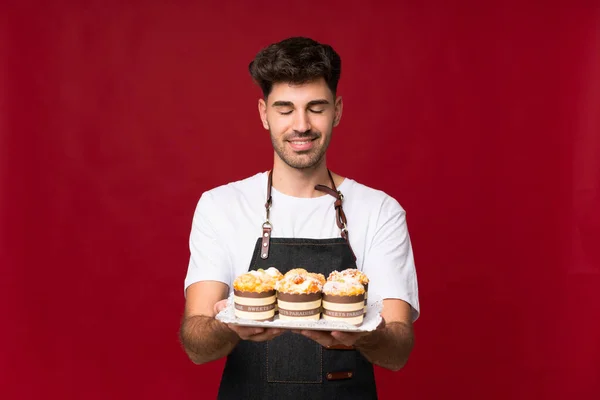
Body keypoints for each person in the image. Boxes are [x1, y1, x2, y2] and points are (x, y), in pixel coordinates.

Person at [179, 36, 420, 400]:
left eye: (316, 108)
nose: (301, 125)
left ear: (337, 110)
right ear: (264, 113)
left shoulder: (379, 210)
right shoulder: (221, 206)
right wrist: (233, 324)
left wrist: (365, 334)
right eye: (285, 108)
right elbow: (196, 343)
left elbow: (398, 350)